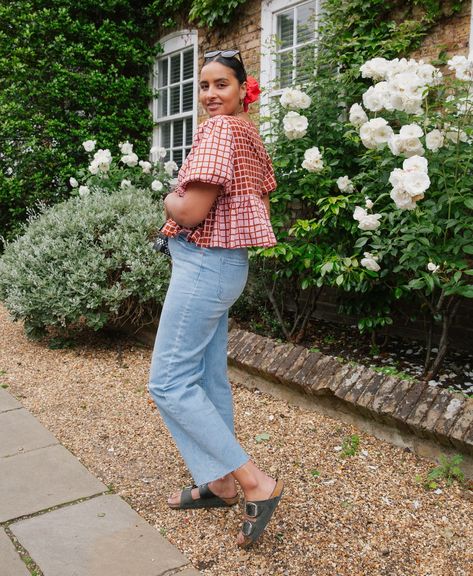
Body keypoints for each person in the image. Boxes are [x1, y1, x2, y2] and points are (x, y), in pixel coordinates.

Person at [148, 48, 284, 548]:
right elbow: (261, 198)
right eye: (203, 86)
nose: (209, 95)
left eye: (220, 84)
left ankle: (253, 482)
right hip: (229, 265)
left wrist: (167, 195)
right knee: (206, 377)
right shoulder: (249, 133)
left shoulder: (220, 131)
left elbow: (187, 212)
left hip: (204, 263)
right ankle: (221, 482)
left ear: (242, 87)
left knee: (167, 381)